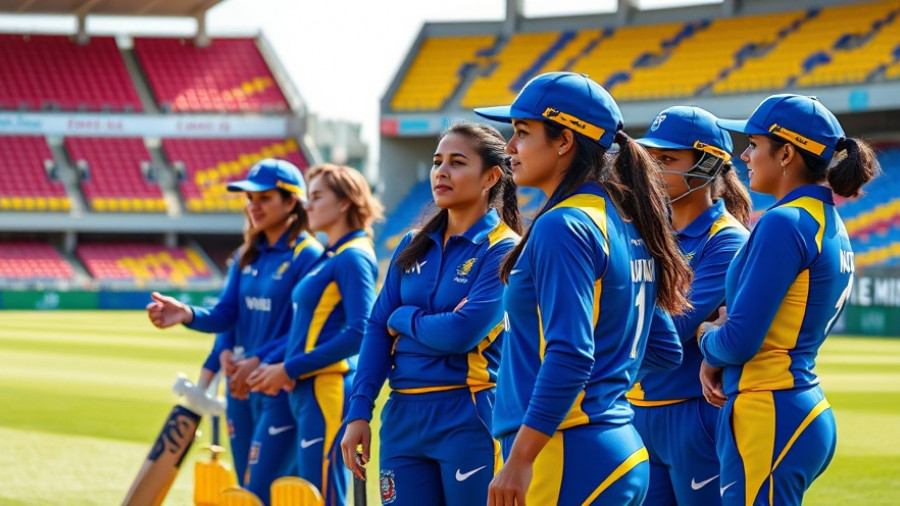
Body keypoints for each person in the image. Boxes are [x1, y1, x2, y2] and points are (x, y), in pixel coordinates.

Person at [474, 71, 692, 505]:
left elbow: (570, 354)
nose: (510, 147)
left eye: (522, 132)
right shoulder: (623, 220)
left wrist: (519, 459)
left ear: (564, 141)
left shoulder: (565, 225)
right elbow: (663, 348)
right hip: (613, 446)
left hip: (564, 451)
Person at [698, 94, 880, 505]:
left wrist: (708, 338)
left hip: (770, 410)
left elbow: (739, 339)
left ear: (786, 153)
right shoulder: (826, 221)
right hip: (795, 406)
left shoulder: (784, 222)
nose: (744, 155)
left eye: (754, 145)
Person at [339, 122, 523, 506]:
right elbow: (376, 329)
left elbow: (460, 333)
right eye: (437, 162)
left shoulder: (504, 248)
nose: (441, 171)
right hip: (402, 415)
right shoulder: (412, 243)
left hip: (468, 415)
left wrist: (403, 319)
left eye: (457, 162)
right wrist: (359, 411)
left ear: (491, 176)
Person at [146, 159, 323, 503]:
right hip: (241, 388)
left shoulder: (309, 256)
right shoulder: (246, 255)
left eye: (264, 198)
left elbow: (311, 331)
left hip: (281, 387)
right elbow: (228, 315)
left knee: (267, 488)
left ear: (291, 203)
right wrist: (187, 314)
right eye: (249, 199)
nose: (253, 206)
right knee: (245, 489)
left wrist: (258, 359)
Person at [626, 106, 752, 506]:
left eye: (667, 159)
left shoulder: (726, 239)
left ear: (707, 164)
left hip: (694, 413)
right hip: (636, 408)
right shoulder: (644, 229)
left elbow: (673, 327)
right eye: (650, 159)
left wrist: (616, 309)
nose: (652, 170)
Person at [248, 164, 382, 506]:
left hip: (327, 386)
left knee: (322, 493)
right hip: (307, 387)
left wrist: (288, 369)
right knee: (305, 493)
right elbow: (303, 331)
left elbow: (361, 331)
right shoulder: (332, 254)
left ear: (345, 203)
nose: (308, 205)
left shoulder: (353, 256)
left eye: (317, 196)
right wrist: (274, 363)